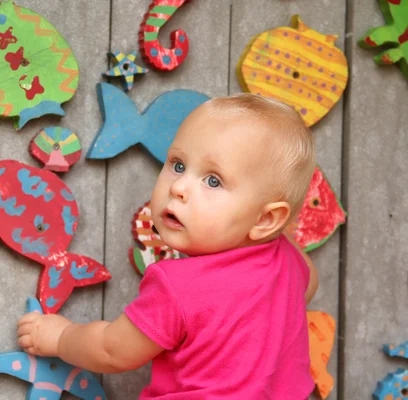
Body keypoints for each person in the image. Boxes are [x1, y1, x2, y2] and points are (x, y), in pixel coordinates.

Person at [17, 93, 319, 399]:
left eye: (213, 181)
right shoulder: (290, 262)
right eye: (177, 164)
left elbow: (112, 350)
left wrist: (60, 337)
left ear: (266, 219)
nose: (178, 187)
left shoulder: (179, 286)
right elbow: (308, 285)